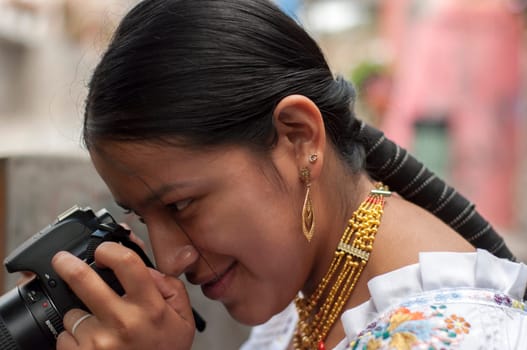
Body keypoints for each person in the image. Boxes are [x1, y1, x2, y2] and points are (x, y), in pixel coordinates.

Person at [50, 0, 527, 349]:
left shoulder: (440, 339)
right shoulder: (311, 297)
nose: (171, 259)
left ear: (299, 138)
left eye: (180, 205)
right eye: (144, 216)